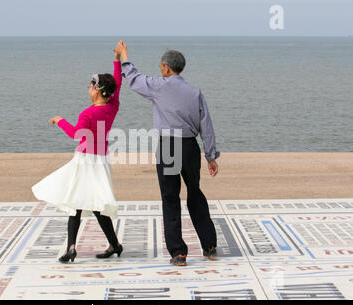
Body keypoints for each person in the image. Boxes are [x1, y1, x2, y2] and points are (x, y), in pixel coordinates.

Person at [114, 41, 220, 266]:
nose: (160, 68)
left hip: (169, 147)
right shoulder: (195, 92)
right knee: (195, 193)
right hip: (190, 147)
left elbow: (134, 78)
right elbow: (206, 126)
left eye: (161, 66)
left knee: (170, 198)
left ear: (166, 68)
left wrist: (124, 55)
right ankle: (209, 245)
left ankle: (179, 253)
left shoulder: (158, 86)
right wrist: (210, 156)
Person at [31, 47, 123, 263]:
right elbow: (117, 84)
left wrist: (59, 120)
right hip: (100, 161)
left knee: (77, 203)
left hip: (84, 161)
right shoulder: (112, 107)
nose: (88, 88)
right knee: (94, 204)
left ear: (99, 90)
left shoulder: (88, 113)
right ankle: (111, 245)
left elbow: (75, 134)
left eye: (91, 85)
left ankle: (75, 247)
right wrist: (117, 60)